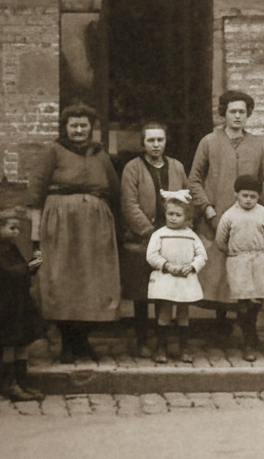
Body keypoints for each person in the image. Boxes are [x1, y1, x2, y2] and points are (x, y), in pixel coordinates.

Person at [27, 102, 122, 363]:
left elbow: (114, 191)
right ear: (65, 128)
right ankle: (67, 343)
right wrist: (36, 232)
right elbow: (35, 191)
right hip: (60, 227)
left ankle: (83, 341)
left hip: (95, 229)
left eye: (84, 125)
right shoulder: (53, 152)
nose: (79, 130)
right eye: (74, 125)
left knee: (93, 283)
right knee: (62, 281)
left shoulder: (100, 155)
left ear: (91, 128)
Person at [186, 90, 264, 342]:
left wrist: (259, 209)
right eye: (232, 111)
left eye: (242, 112)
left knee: (247, 275)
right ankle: (219, 326)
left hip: (248, 222)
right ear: (223, 113)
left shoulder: (256, 144)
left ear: (248, 115)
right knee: (219, 275)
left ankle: (248, 331)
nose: (237, 116)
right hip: (216, 218)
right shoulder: (209, 142)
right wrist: (208, 209)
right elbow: (194, 180)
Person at [119, 121, 187, 356]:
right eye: (151, 140)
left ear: (166, 141)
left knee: (167, 292)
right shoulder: (133, 168)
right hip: (143, 239)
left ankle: (166, 341)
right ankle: (141, 340)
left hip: (172, 237)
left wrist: (180, 229)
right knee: (142, 293)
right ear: (143, 143)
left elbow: (186, 199)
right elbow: (129, 204)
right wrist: (149, 233)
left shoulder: (177, 167)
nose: (156, 145)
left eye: (160, 140)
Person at [214, 174, 264, 362]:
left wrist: (261, 253)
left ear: (258, 196)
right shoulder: (229, 216)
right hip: (238, 262)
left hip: (261, 261)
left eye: (253, 196)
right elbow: (220, 241)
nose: (248, 200)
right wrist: (236, 253)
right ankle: (248, 344)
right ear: (236, 195)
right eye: (245, 196)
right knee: (244, 305)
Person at [0, 210, 46, 401]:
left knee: (22, 341)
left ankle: (23, 382)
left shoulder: (8, 246)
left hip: (18, 300)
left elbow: (18, 272)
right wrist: (28, 267)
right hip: (4, 303)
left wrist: (32, 266)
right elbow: (8, 272)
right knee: (10, 342)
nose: (16, 232)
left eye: (17, 228)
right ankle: (10, 384)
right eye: (12, 228)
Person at [145, 191, 208, 363]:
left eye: (178, 215)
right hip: (166, 276)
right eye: (170, 214)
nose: (173, 218)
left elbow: (202, 255)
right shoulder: (159, 234)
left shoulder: (191, 235)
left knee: (183, 313)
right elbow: (151, 255)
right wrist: (166, 265)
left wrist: (192, 266)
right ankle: (161, 347)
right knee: (164, 313)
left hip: (184, 278)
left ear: (187, 217)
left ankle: (183, 348)